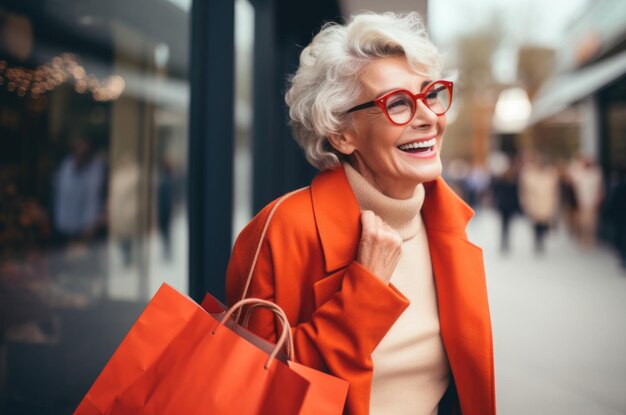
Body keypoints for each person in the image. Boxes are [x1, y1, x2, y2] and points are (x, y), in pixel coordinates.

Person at [226, 12, 495, 415]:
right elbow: (257, 391)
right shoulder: (282, 229)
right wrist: (363, 292)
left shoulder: (449, 226)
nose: (427, 118)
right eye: (398, 103)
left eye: (430, 94)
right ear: (341, 133)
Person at [518, 156, 559, 254]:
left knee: (544, 224)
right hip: (534, 203)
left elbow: (555, 191)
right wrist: (525, 202)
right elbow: (524, 189)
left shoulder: (550, 174)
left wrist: (554, 204)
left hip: (546, 203)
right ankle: (537, 241)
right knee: (536, 224)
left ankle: (542, 240)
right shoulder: (529, 174)